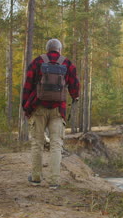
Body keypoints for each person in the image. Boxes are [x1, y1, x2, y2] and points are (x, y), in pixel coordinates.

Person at [22, 38, 80, 189]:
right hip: (58, 110)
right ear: (59, 50)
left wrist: (25, 107)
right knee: (56, 145)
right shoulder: (67, 64)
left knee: (37, 144)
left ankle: (35, 177)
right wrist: (75, 97)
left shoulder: (37, 62)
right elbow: (75, 87)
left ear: (48, 49)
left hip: (38, 107)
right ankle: (54, 181)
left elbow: (27, 86)